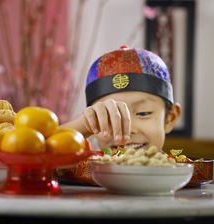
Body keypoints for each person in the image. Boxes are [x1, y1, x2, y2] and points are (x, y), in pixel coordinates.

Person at [57, 45, 181, 184]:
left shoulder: (182, 174)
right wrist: (82, 126)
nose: (127, 130)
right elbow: (34, 153)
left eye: (143, 113)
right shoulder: (84, 165)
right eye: (109, 116)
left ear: (170, 118)